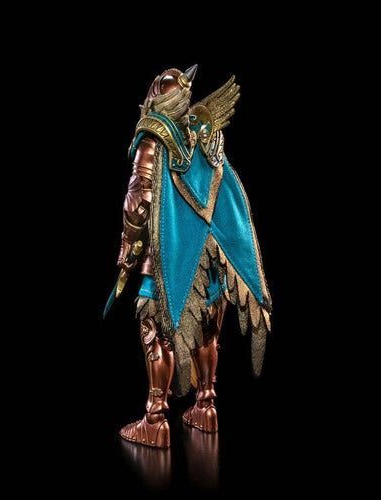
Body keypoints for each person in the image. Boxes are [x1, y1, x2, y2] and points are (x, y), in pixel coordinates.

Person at [108, 65, 272, 448]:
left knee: (155, 329)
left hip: (167, 252)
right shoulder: (202, 135)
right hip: (210, 250)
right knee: (207, 328)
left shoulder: (153, 137)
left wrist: (127, 252)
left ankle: (155, 419)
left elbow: (137, 202)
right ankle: (206, 406)